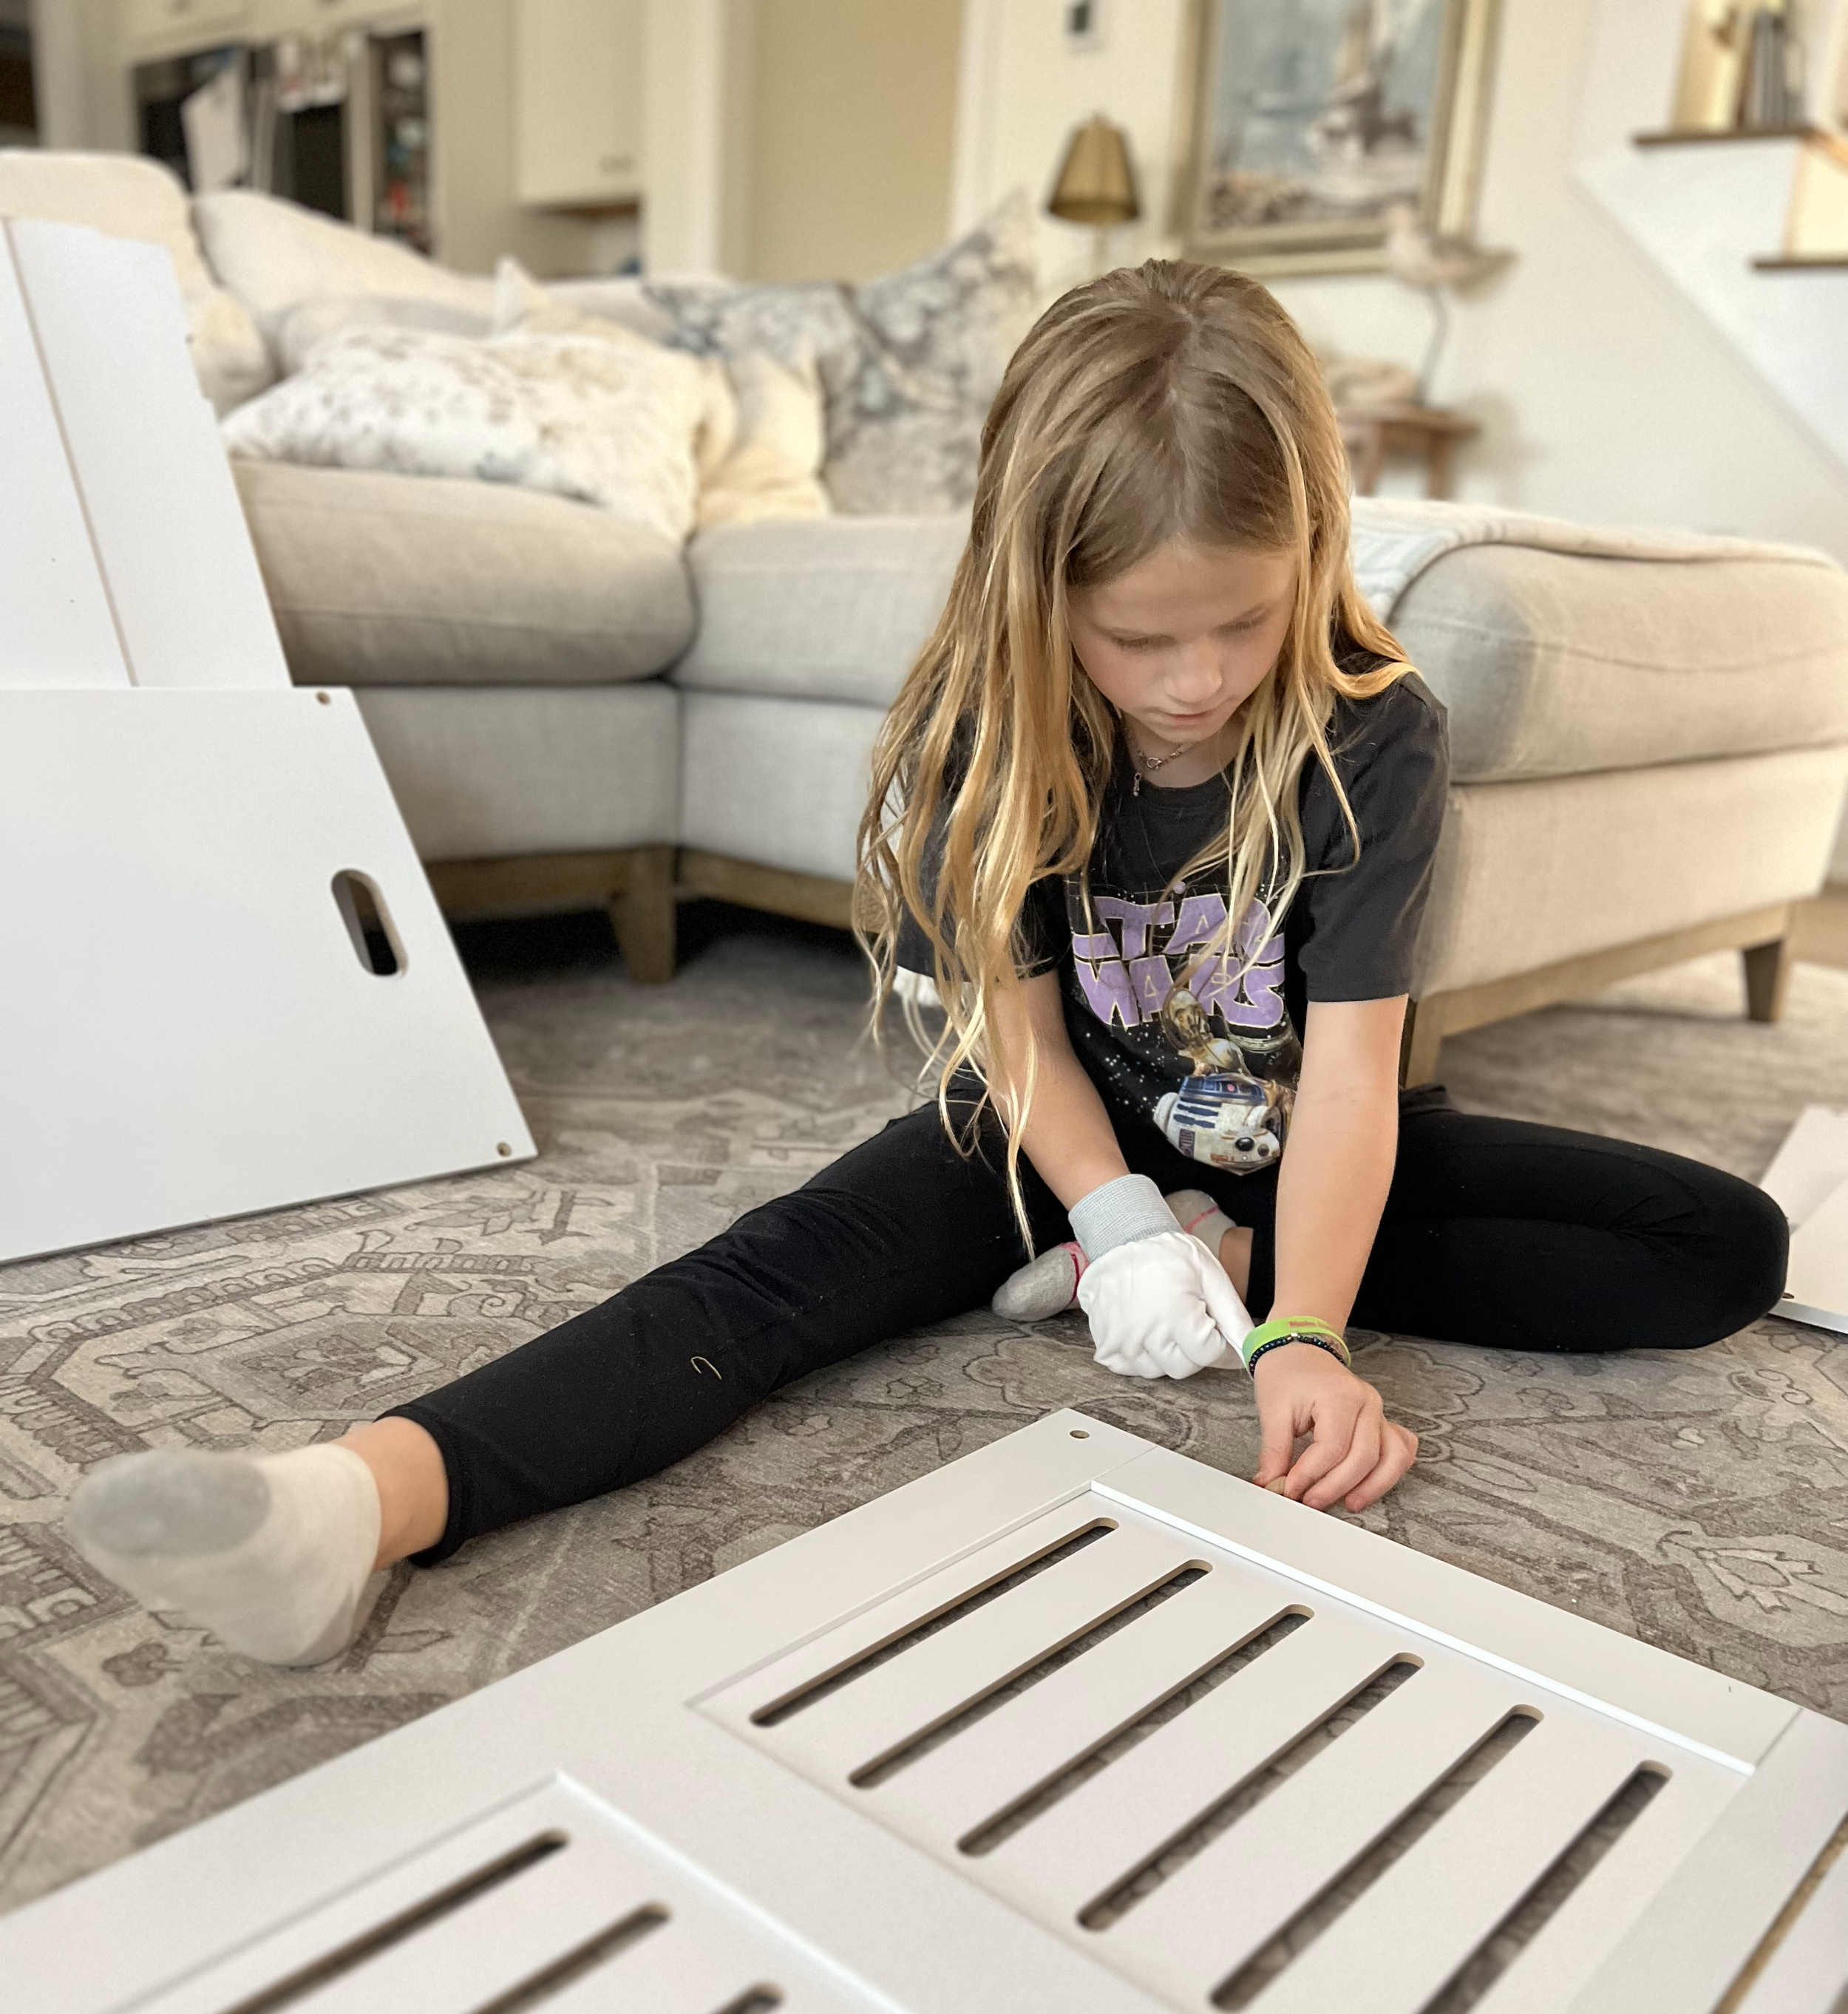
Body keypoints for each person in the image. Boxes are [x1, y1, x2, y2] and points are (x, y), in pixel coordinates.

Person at [65, 262, 1788, 1670]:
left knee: (1713, 1249)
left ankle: (1229, 1246)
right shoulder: (982, 740)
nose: (1191, 681)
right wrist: (1112, 1218)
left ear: (1313, 558)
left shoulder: (1374, 736)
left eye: (1239, 621)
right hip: (1054, 1130)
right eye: (1134, 637)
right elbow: (1016, 1028)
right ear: (1041, 593)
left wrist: (1299, 1323)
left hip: (1293, 1137)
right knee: (767, 1279)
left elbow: (1351, 1075)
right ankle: (357, 1499)